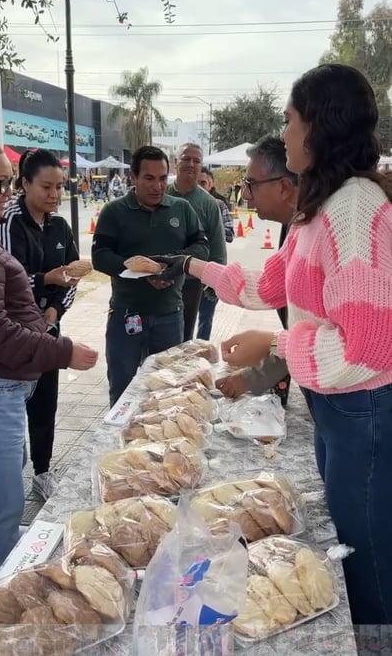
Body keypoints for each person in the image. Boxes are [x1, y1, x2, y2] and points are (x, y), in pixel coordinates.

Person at [154, 64, 392, 628]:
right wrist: (193, 266)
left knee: (368, 559)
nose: (283, 135)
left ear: (319, 126)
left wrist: (275, 344)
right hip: (332, 406)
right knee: (349, 537)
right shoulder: (317, 211)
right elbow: (264, 286)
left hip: (363, 410)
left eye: (289, 121)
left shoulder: (355, 209)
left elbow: (369, 348)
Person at [0, 139, 98, 584]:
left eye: (8, 183)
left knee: (2, 493)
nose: (6, 192)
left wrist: (50, 317)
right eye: (1, 182)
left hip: (13, 375)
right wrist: (61, 350)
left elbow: (67, 279)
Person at [92, 146, 209, 407]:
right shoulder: (114, 212)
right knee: (122, 391)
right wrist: (138, 271)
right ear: (133, 177)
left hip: (170, 315)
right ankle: (119, 443)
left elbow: (202, 247)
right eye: (149, 178)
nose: (158, 186)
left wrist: (172, 266)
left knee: (167, 392)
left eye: (163, 178)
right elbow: (100, 256)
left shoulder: (182, 210)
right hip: (126, 317)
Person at [0, 149, 81, 501]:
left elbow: (73, 277)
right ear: (24, 183)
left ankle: (43, 472)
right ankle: (4, 484)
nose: (54, 195)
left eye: (59, 187)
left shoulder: (59, 226)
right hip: (12, 336)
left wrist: (52, 316)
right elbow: (4, 283)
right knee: (10, 411)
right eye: (46, 186)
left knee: (46, 403)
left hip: (47, 331)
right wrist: (45, 279)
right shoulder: (8, 221)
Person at [215, 136, 298, 406]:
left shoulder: (327, 227)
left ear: (284, 186)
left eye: (250, 185)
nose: (246, 195)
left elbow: (341, 339)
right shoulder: (296, 225)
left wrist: (269, 343)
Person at [166, 143, 226, 341]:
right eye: (186, 159)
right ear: (176, 163)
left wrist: (216, 284)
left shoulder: (208, 203)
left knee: (183, 340)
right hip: (158, 278)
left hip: (191, 283)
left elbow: (217, 248)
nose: (191, 164)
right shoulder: (160, 193)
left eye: (197, 161)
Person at [197, 169, 234, 340]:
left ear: (211, 184)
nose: (200, 187)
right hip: (188, 273)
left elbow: (229, 234)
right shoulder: (184, 204)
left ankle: (201, 352)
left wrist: (210, 230)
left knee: (206, 319)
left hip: (211, 274)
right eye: (197, 183)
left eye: (203, 183)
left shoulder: (218, 205)